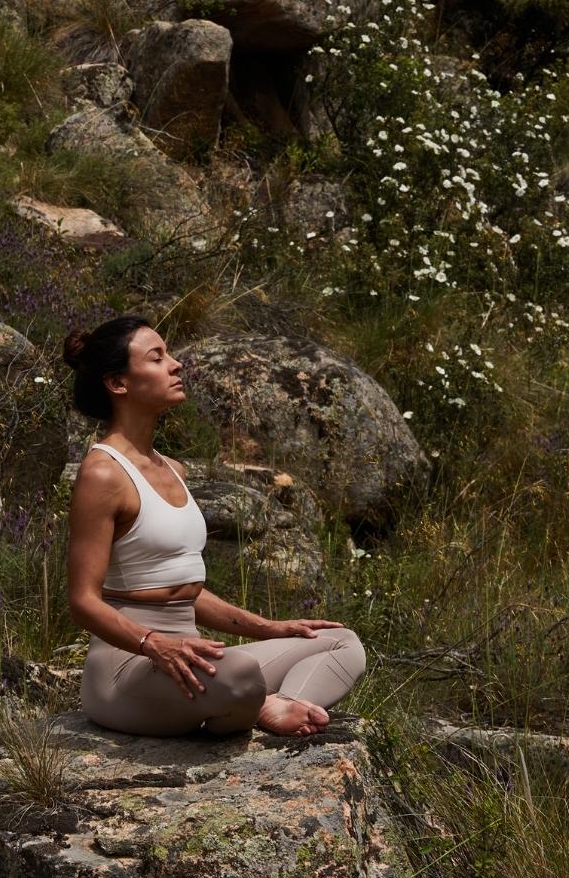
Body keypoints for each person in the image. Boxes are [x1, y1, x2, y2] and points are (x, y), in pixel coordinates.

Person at [64, 315, 366, 737]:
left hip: (193, 661)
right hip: (127, 670)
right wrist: (155, 644)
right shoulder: (103, 473)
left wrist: (269, 627)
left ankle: (282, 705)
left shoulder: (174, 469)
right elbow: (82, 600)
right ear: (119, 384)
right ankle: (259, 703)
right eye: (157, 357)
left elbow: (185, 589)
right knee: (241, 671)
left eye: (169, 354)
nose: (176, 364)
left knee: (340, 642)